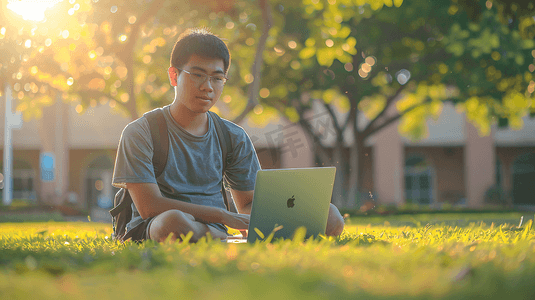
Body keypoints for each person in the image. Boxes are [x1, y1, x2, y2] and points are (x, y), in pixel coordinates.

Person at [112, 28, 344, 243]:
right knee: (173, 222)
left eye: (217, 78)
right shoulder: (141, 132)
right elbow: (149, 206)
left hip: (216, 227)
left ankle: (218, 238)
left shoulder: (232, 136)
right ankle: (221, 239)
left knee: (329, 215)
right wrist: (223, 216)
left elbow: (247, 204)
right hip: (155, 225)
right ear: (174, 76)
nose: (207, 87)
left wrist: (279, 214)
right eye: (197, 75)